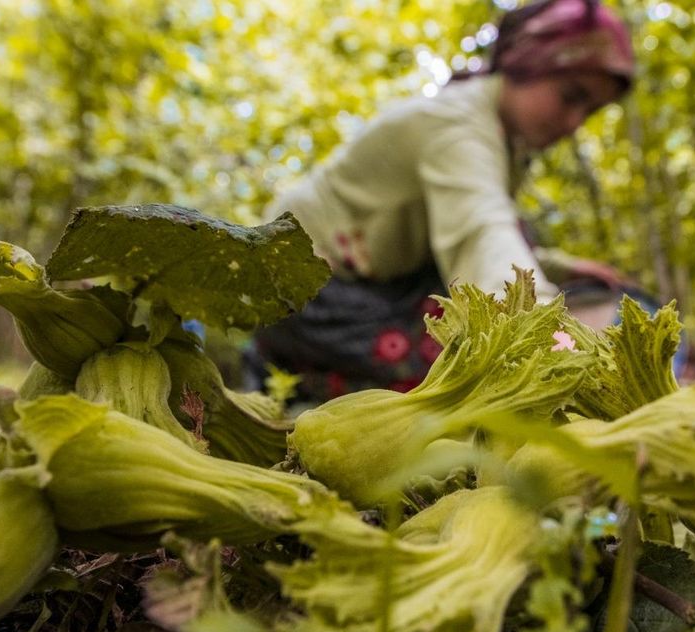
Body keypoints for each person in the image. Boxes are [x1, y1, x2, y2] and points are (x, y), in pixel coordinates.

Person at [249, 0, 645, 402]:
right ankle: (287, 372)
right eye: (570, 96)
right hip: (298, 287)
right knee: (461, 368)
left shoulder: (501, 139)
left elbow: (478, 228)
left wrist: (559, 266)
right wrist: (555, 341)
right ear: (528, 63)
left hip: (377, 280)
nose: (574, 122)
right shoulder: (457, 125)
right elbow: (480, 235)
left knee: (517, 239)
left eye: (589, 110)